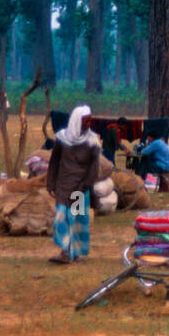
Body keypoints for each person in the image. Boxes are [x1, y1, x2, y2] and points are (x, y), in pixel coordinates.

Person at [46, 106, 103, 264]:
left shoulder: (92, 141)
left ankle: (75, 253)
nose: (89, 123)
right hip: (63, 187)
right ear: (77, 121)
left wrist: (85, 185)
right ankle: (65, 250)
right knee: (60, 217)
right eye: (86, 120)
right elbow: (54, 161)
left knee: (76, 220)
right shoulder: (62, 138)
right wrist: (51, 183)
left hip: (80, 188)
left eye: (90, 120)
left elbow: (94, 167)